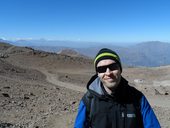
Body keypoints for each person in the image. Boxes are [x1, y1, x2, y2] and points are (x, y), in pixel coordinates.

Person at [74, 48, 161, 128]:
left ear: (120, 69)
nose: (108, 73)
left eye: (113, 67)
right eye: (101, 69)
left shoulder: (137, 98)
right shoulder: (89, 100)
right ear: (97, 74)